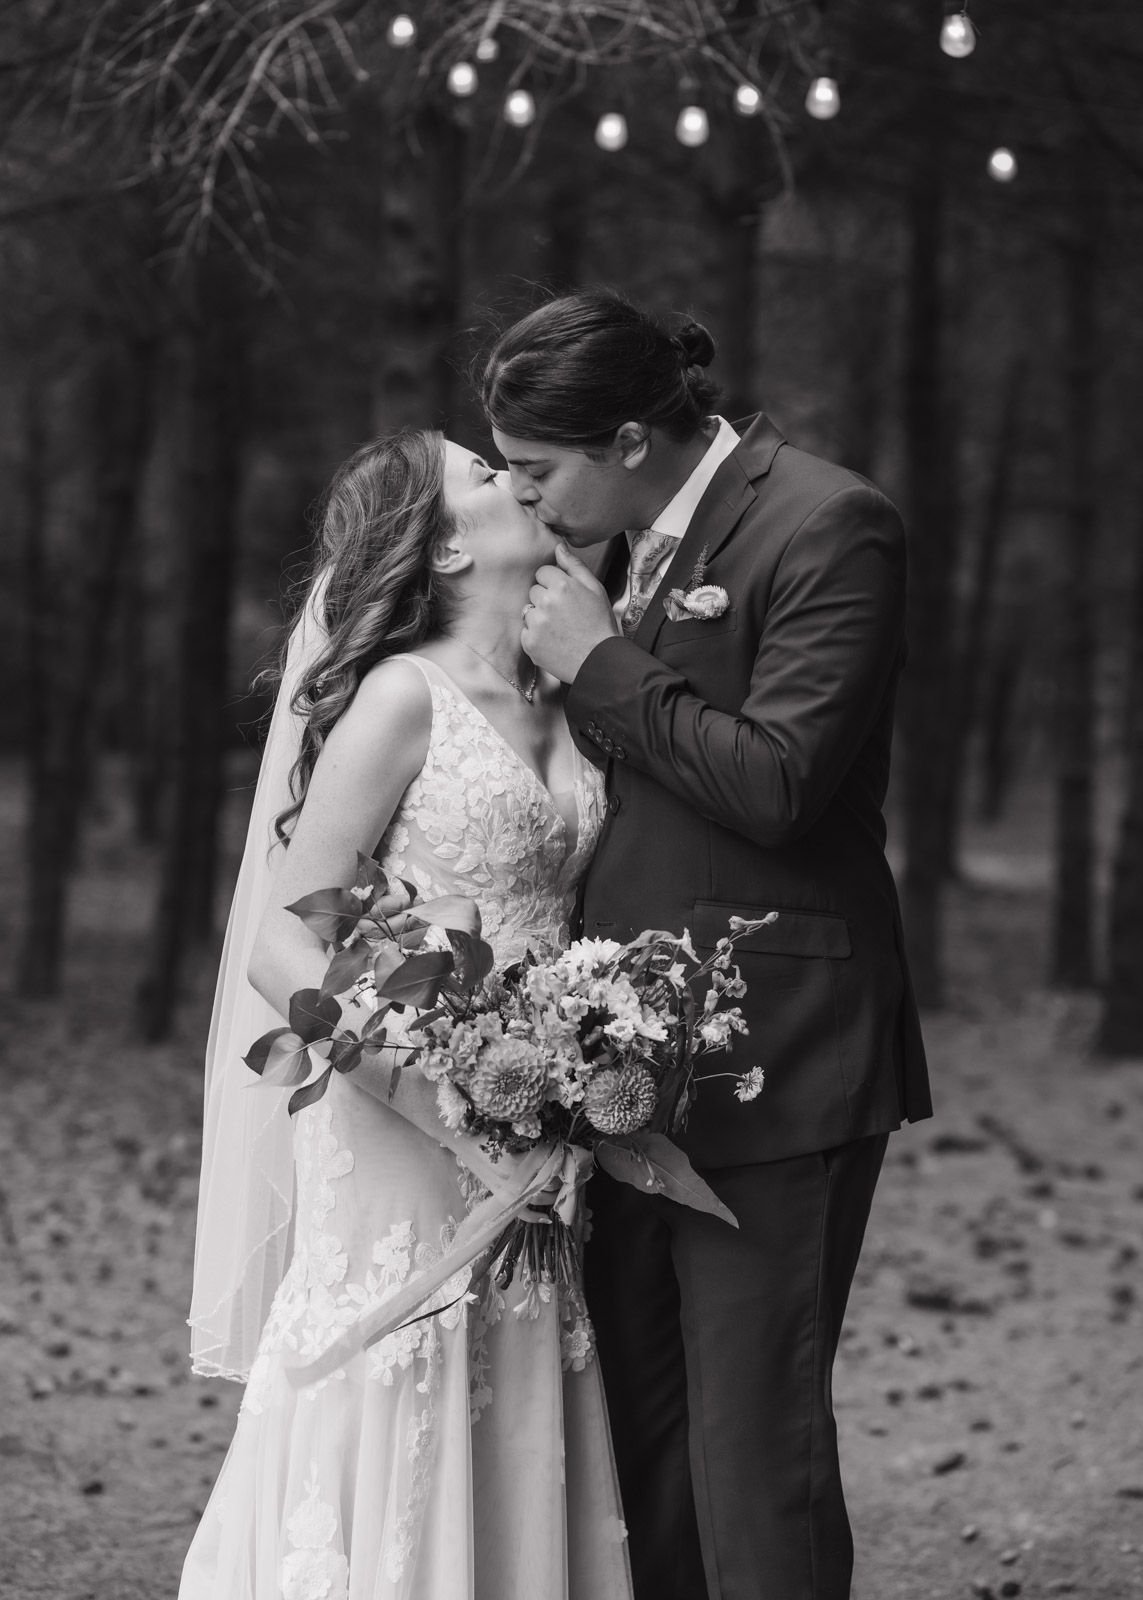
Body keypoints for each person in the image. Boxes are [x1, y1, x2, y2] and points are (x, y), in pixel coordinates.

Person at [482, 288, 932, 1600]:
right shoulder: (598, 542)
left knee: (753, 1442)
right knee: (640, 1434)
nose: (522, 502)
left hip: (773, 1056)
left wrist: (596, 664)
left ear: (628, 440)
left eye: (536, 471)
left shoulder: (825, 522)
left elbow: (781, 783)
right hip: (609, 1061)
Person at [180, 431, 633, 1600]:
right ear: (441, 541)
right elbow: (286, 942)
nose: (518, 478)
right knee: (407, 1372)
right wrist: (444, 1098)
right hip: (403, 1113)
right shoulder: (399, 697)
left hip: (545, 1115)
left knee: (516, 1371)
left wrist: (567, 1080)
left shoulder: (567, 687)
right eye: (485, 474)